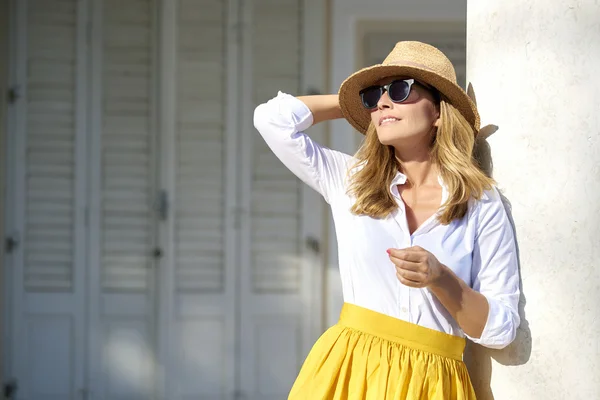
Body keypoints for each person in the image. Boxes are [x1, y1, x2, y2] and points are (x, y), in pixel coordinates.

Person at [253, 41, 520, 399]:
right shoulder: (351, 179)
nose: (382, 102)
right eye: (374, 95)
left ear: (440, 111)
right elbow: (271, 120)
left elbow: (502, 330)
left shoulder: (480, 202)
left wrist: (441, 279)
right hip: (351, 372)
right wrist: (355, 103)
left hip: (435, 384)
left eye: (399, 89)